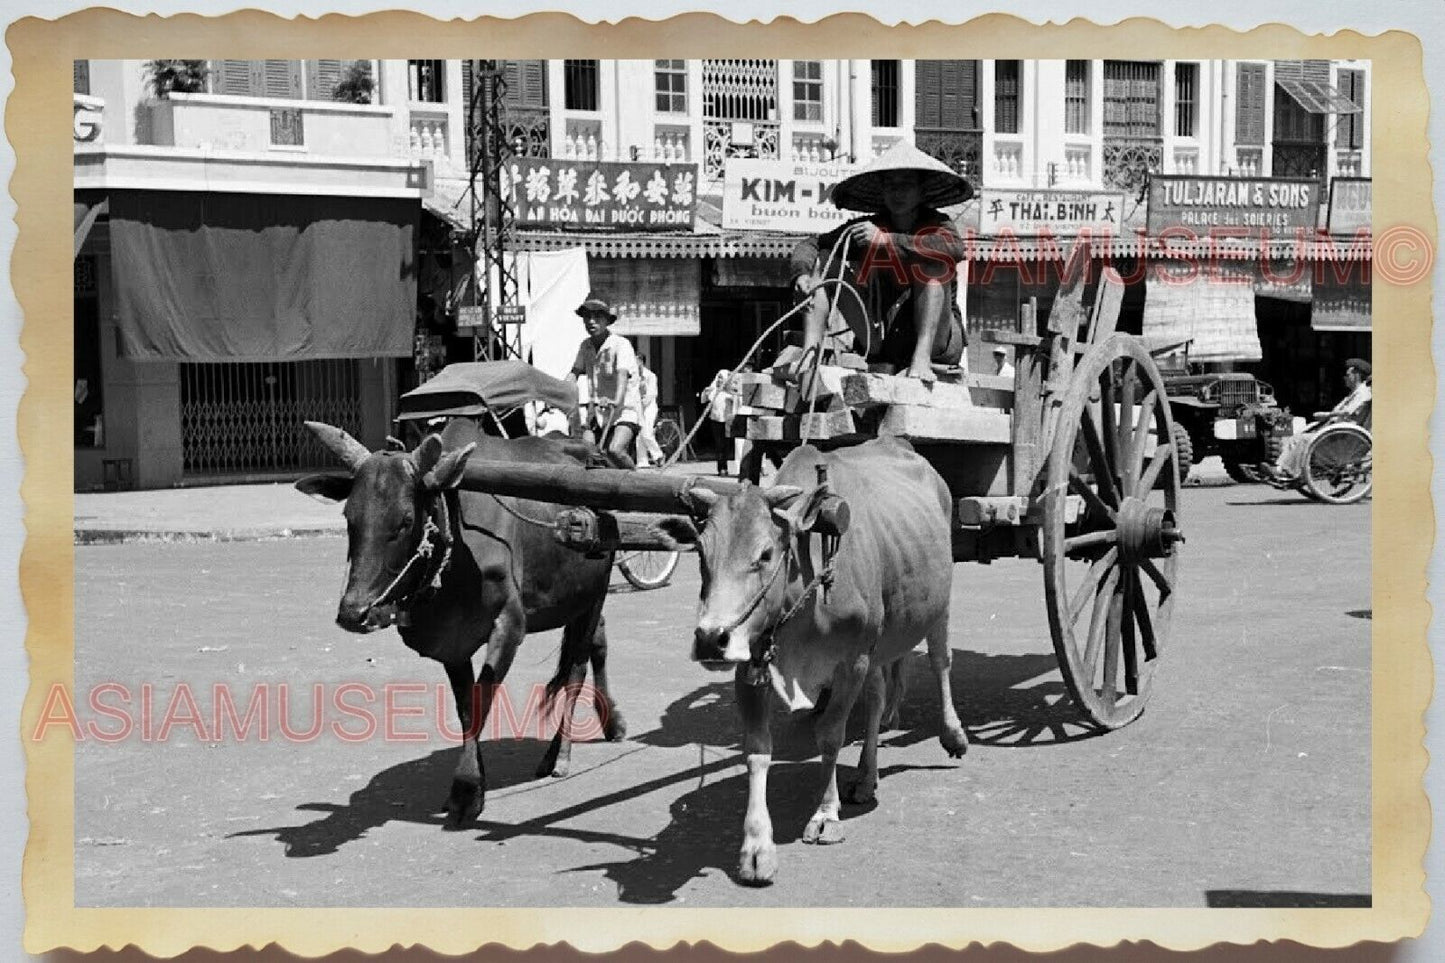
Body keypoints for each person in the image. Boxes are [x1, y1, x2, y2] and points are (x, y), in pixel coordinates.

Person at [789, 141, 972, 387]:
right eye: (890, 185)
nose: (898, 192)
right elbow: (811, 244)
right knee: (823, 261)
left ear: (921, 192)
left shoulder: (939, 224)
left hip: (939, 342)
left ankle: (921, 360)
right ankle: (810, 355)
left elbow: (955, 248)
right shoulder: (866, 228)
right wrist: (802, 275)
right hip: (884, 338)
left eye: (906, 185)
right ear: (882, 192)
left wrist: (887, 241)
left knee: (931, 264)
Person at [1260, 358, 1372, 479]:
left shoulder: (1363, 394)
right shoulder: (1352, 394)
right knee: (1298, 436)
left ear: (1356, 375)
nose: (1344, 377)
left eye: (1347, 374)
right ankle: (1283, 469)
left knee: (1302, 440)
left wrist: (1327, 415)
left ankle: (1284, 470)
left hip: (1342, 436)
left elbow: (1347, 412)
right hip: (1335, 432)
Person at [570, 296, 640, 466]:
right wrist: (558, 394)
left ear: (607, 321)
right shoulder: (585, 346)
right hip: (597, 412)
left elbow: (622, 374)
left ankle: (635, 481)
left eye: (597, 317)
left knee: (615, 450)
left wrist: (616, 400)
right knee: (586, 452)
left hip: (623, 411)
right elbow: (574, 374)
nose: (591, 322)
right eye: (587, 317)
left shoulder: (621, 345)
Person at [700, 367, 741, 476]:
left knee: (726, 445)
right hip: (715, 421)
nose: (719, 380)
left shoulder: (731, 393)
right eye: (718, 378)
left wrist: (734, 396)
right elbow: (703, 400)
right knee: (719, 445)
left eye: (721, 378)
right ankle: (721, 468)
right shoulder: (714, 391)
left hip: (727, 421)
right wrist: (705, 392)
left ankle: (725, 466)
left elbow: (738, 403)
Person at [635, 351, 665, 467]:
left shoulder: (651, 376)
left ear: (641, 362)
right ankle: (642, 461)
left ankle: (658, 455)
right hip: (637, 407)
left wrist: (643, 400)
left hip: (649, 407)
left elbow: (652, 393)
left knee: (646, 432)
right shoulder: (633, 376)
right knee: (639, 434)